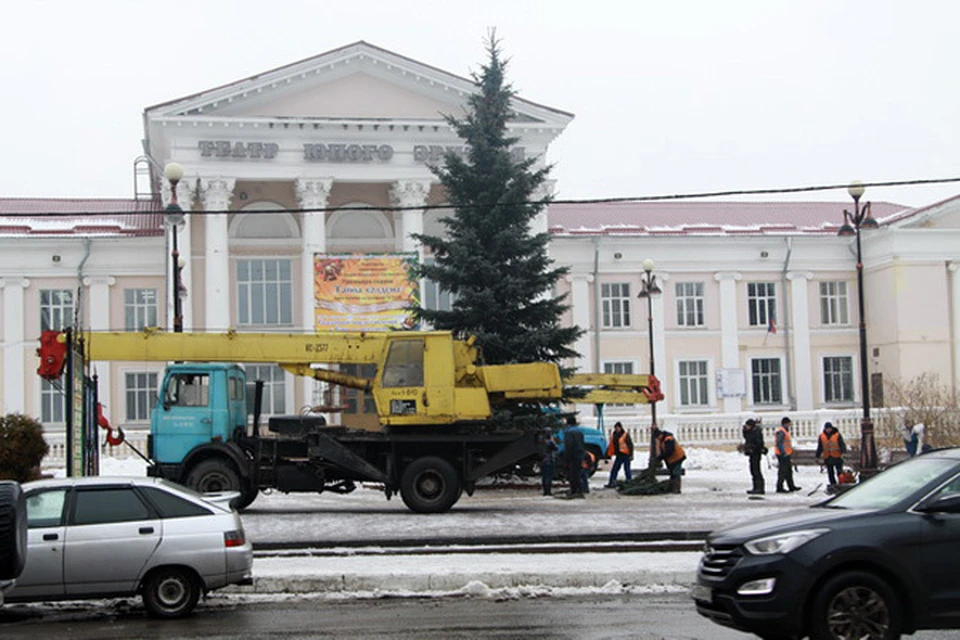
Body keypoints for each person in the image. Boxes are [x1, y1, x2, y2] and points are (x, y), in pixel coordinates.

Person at [654, 427, 686, 493]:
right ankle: (673, 488)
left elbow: (669, 451)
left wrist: (661, 457)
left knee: (676, 473)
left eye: (658, 437)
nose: (658, 439)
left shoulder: (668, 439)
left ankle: (676, 489)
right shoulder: (663, 440)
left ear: (660, 435)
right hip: (673, 459)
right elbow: (664, 452)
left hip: (678, 457)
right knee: (673, 473)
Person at [774, 417, 801, 493]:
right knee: (783, 471)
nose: (789, 425)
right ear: (785, 423)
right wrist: (783, 452)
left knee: (788, 471)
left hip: (786, 453)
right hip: (782, 454)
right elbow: (779, 443)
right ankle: (779, 487)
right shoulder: (781, 431)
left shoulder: (784, 431)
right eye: (789, 423)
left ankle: (791, 486)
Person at [604, 421, 634, 487]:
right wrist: (607, 455)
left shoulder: (625, 435)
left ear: (620, 428)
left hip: (626, 454)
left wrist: (631, 455)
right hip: (619, 455)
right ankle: (611, 482)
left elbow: (630, 445)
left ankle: (629, 482)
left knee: (627, 469)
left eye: (618, 428)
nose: (617, 429)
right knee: (614, 469)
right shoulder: (613, 436)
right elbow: (610, 446)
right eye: (616, 428)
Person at [742, 418, 766, 495]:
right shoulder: (750, 432)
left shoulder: (757, 433)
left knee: (756, 470)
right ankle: (755, 487)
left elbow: (759, 444)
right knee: (753, 470)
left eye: (747, 426)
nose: (747, 427)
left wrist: (752, 447)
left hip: (756, 453)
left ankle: (760, 488)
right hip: (752, 453)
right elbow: (746, 437)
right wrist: (744, 430)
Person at [563, 419, 586, 498]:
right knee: (578, 473)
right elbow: (583, 444)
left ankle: (574, 491)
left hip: (573, 456)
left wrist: (566, 459)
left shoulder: (568, 433)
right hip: (580, 454)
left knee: (572, 474)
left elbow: (568, 446)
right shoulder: (580, 432)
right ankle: (580, 490)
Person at [540, 428, 559, 496]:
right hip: (549, 460)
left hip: (543, 460)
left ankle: (545, 491)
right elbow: (556, 448)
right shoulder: (550, 442)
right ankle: (548, 491)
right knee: (548, 476)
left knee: (544, 476)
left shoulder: (541, 441)